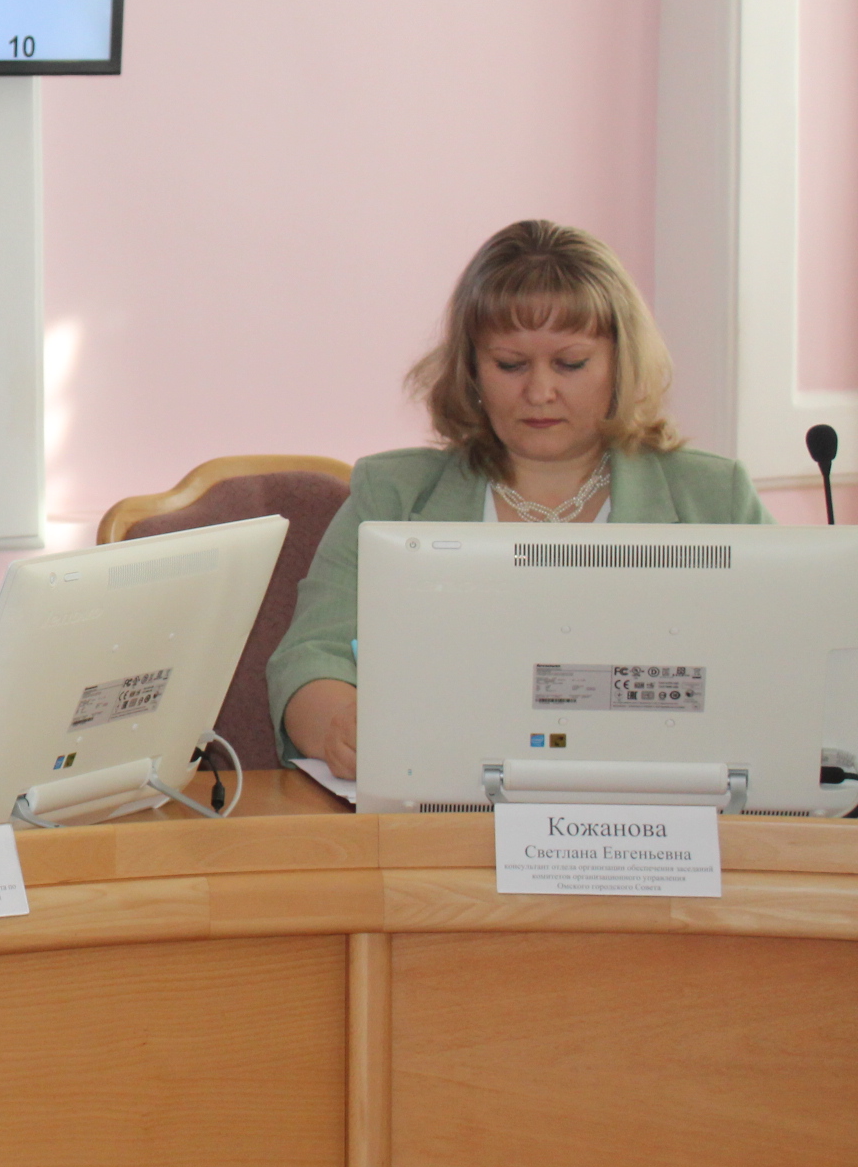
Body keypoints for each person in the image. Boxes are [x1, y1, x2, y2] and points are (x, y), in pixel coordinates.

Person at [267, 219, 769, 779]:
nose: (539, 392)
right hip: (444, 802)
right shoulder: (394, 495)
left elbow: (785, 662)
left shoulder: (713, 497)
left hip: (661, 802)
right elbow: (311, 656)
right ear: (472, 369)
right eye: (510, 365)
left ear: (619, 364)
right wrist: (340, 727)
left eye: (570, 363)